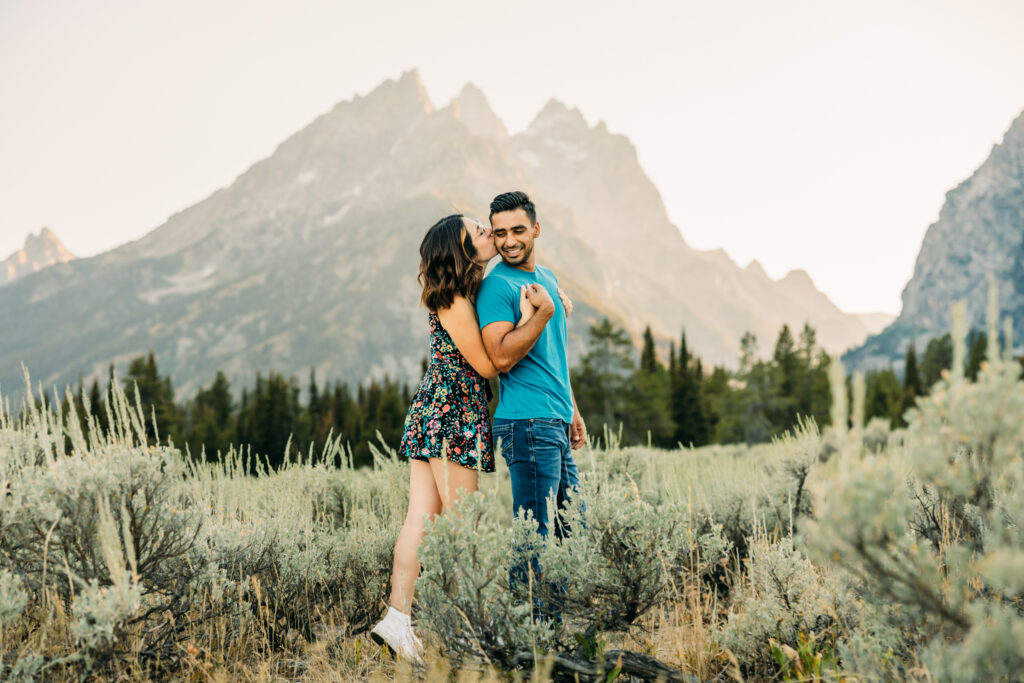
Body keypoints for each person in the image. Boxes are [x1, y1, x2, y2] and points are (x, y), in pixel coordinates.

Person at [370, 213, 555, 661]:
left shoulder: (462, 293)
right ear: (462, 250)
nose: (488, 233)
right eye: (478, 231)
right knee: (462, 526)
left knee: (425, 520)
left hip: (438, 411)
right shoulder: (452, 299)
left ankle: (400, 621)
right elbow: (488, 365)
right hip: (451, 414)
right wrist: (532, 315)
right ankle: (465, 625)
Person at [476, 191, 587, 610]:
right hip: (526, 423)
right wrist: (542, 314)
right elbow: (501, 357)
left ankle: (553, 630)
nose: (508, 241)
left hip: (553, 418)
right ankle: (527, 639)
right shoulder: (496, 288)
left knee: (573, 528)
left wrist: (572, 410)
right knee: (535, 536)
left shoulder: (549, 278)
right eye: (500, 232)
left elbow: (554, 353)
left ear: (536, 229)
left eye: (518, 230)